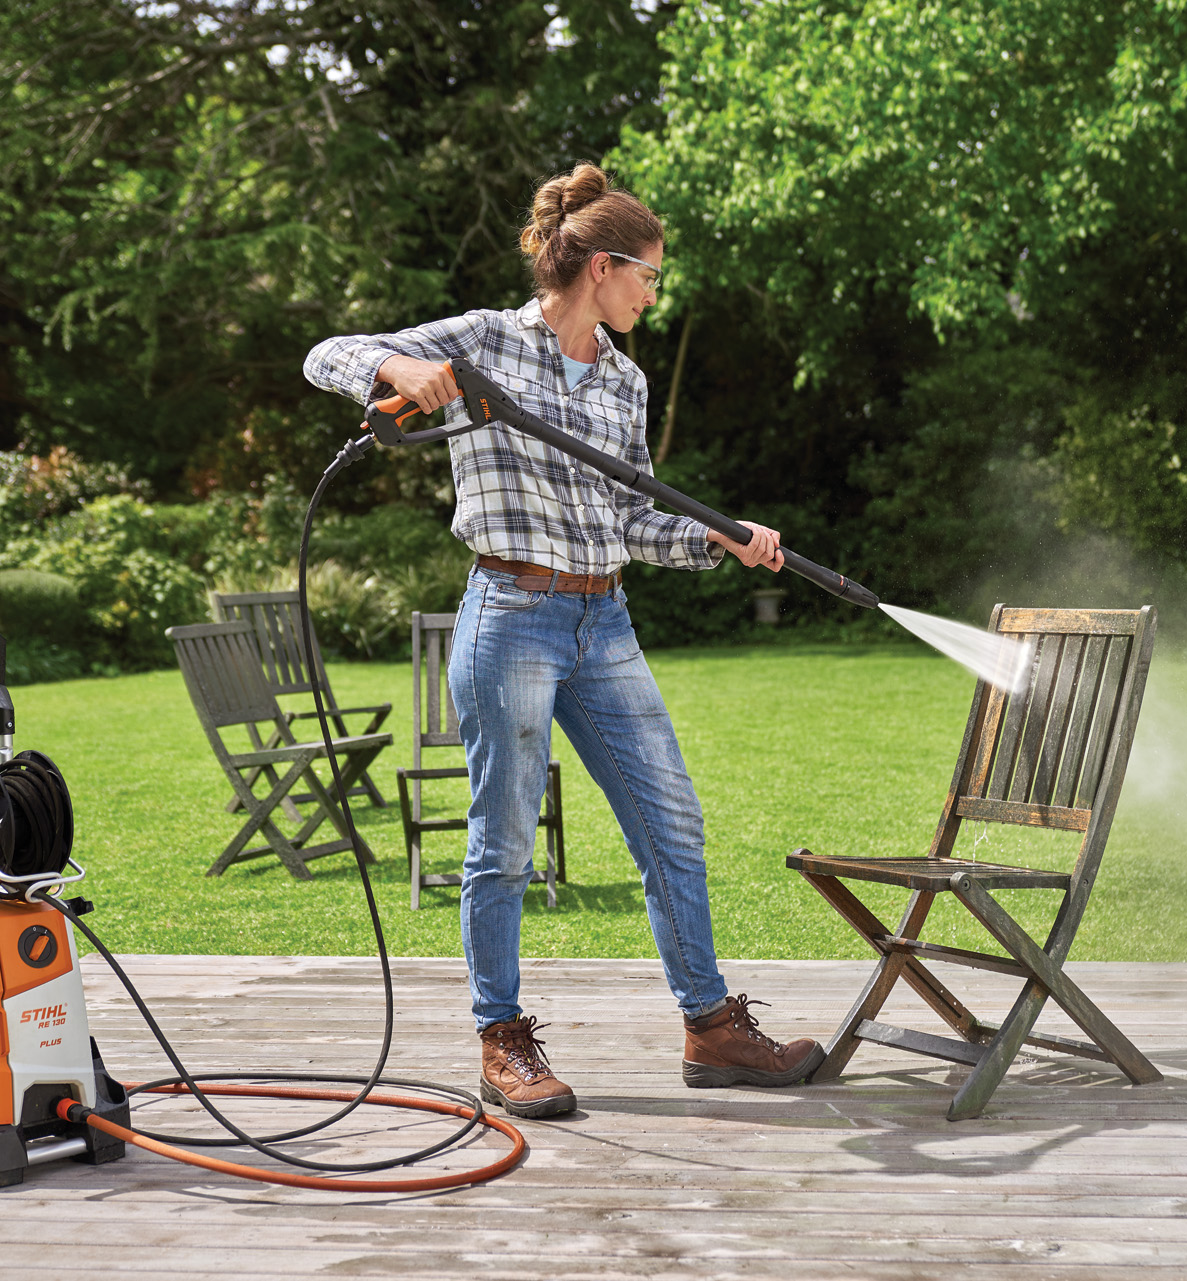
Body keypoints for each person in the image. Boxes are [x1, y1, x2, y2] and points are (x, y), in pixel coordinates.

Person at [302, 163, 823, 1119]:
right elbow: (326, 351)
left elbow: (632, 519)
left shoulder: (623, 380)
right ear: (601, 267)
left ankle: (710, 1026)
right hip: (512, 616)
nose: (654, 294)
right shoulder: (485, 342)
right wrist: (401, 369)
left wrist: (713, 537)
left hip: (604, 619)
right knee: (503, 841)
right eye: (649, 275)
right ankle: (502, 1041)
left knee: (672, 823)